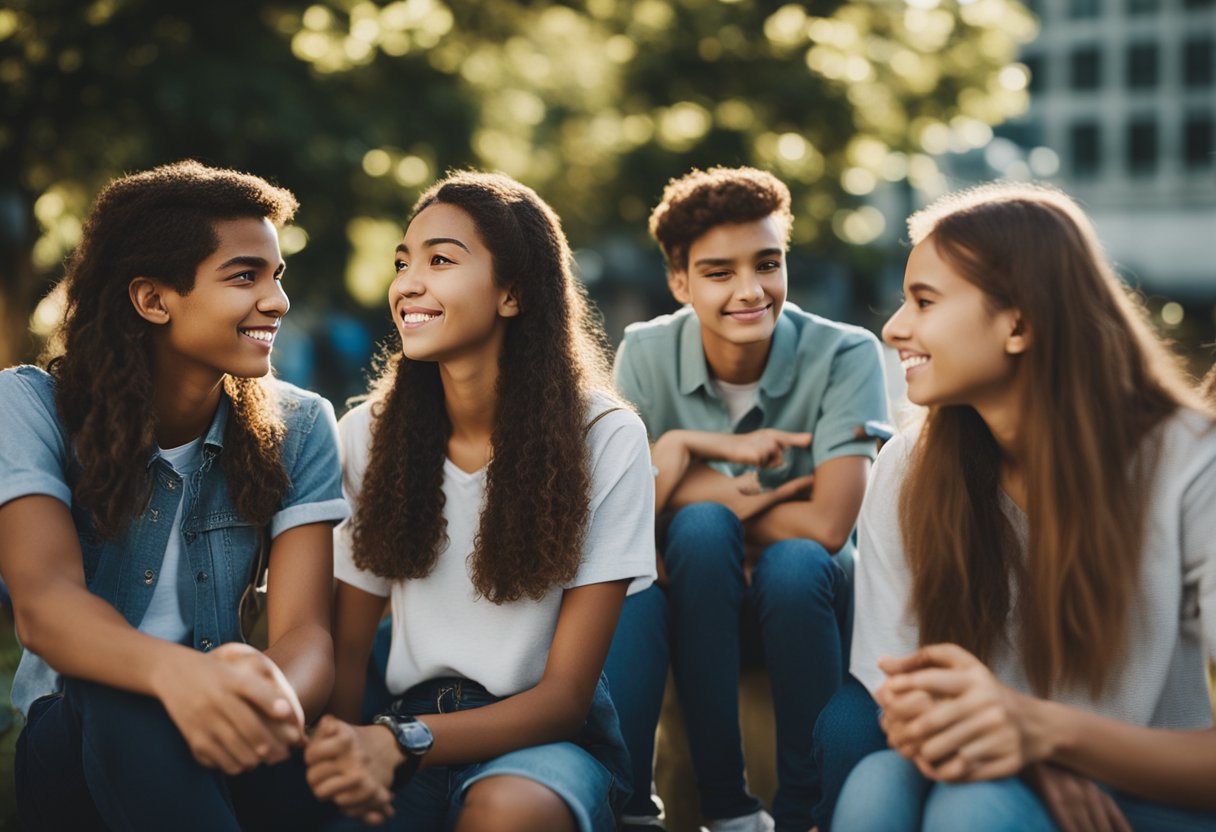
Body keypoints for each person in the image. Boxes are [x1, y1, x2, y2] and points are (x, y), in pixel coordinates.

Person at [834, 182, 1216, 831]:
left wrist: (1040, 734)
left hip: (1151, 797)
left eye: (924, 300)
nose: (894, 327)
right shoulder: (905, 466)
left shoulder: (1188, 461)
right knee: (875, 786)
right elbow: (900, 698)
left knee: (974, 805)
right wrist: (1027, 758)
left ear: (1020, 322)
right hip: (987, 767)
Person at [0, 160, 349, 830]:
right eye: (245, 275)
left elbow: (306, 634)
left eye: (277, 276)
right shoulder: (30, 407)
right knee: (124, 695)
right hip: (76, 740)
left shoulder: (301, 424)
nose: (276, 300)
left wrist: (262, 698)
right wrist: (179, 677)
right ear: (153, 299)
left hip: (240, 732)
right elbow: (46, 608)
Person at [302, 171, 656, 832]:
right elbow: (347, 656)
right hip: (401, 728)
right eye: (404, 262)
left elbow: (565, 699)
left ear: (513, 294)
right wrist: (346, 761)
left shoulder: (603, 437)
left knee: (505, 811)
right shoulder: (367, 437)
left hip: (546, 746)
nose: (409, 282)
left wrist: (400, 742)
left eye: (440, 260)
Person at [602, 166, 890, 832]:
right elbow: (628, 518)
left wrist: (680, 477)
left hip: (809, 599)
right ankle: (725, 806)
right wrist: (741, 488)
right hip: (695, 591)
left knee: (786, 561)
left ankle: (801, 812)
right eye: (719, 272)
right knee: (702, 531)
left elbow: (826, 527)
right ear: (679, 283)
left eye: (768, 264)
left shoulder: (847, 353)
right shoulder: (645, 352)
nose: (751, 291)